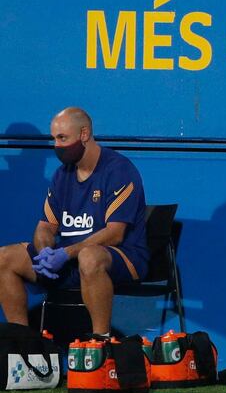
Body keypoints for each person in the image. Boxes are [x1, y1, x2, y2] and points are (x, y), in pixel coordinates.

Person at [0, 107, 149, 337]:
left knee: (90, 257)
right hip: (70, 259)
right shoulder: (62, 175)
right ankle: (24, 346)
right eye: (54, 139)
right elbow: (45, 226)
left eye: (62, 138)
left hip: (122, 257)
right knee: (4, 258)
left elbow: (115, 233)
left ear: (84, 134)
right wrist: (46, 252)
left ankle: (100, 344)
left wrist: (65, 254)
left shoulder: (119, 170)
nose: (57, 146)